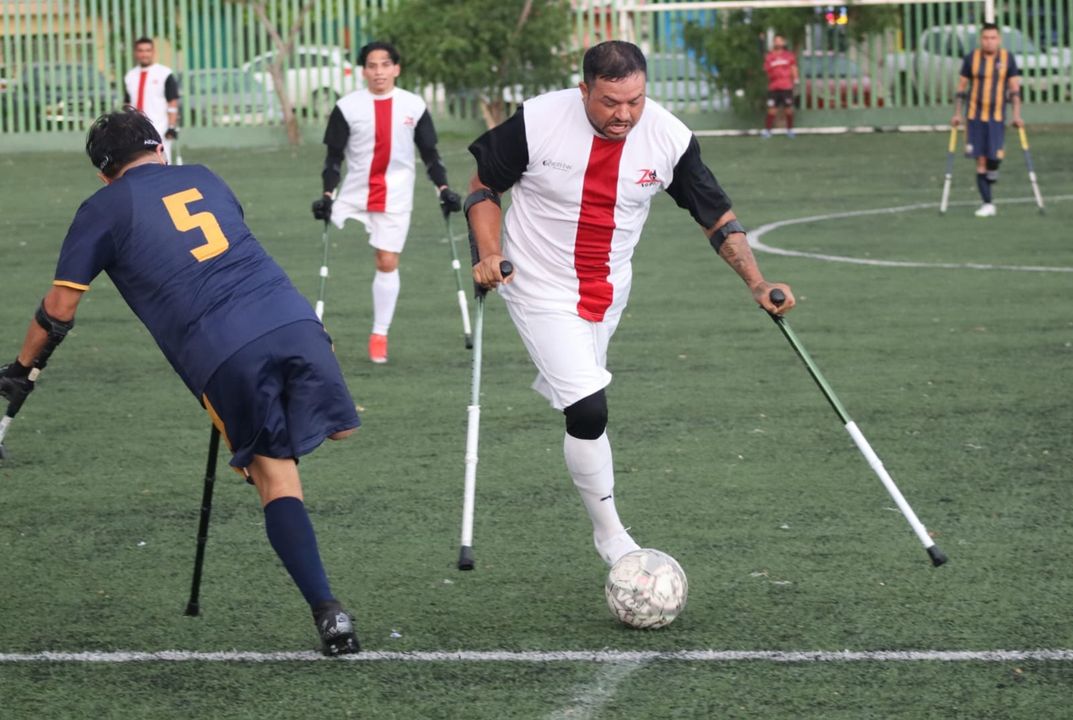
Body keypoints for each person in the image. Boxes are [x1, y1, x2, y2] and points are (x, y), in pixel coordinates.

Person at [0, 109, 362, 656]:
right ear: (160, 148)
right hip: (295, 321)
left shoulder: (102, 207)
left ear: (103, 172)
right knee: (337, 431)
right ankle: (282, 431)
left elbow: (60, 308)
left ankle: (329, 612)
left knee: (276, 479)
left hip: (222, 352)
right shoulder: (206, 177)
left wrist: (22, 369)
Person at [465, 41, 795, 567]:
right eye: (610, 102)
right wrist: (489, 252)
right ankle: (611, 535)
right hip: (538, 283)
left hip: (609, 288)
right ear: (584, 91)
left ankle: (588, 456)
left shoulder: (668, 137)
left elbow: (716, 217)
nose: (624, 115)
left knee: (579, 396)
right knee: (588, 406)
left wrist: (756, 282)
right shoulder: (539, 120)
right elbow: (483, 187)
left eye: (635, 101)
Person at [313, 40, 462, 364]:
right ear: (363, 71)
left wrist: (444, 189)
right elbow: (333, 158)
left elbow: (430, 155)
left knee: (386, 261)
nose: (379, 71)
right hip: (354, 191)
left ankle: (379, 333)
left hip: (396, 193)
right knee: (324, 253)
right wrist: (327, 194)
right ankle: (312, 332)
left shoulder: (413, 105)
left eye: (385, 64)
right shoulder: (347, 107)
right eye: (372, 65)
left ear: (396, 68)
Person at [951, 22, 1023, 218]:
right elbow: (961, 88)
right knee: (980, 159)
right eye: (985, 38)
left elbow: (1015, 89)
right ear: (981, 40)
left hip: (997, 118)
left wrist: (1017, 115)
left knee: (995, 158)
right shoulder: (970, 59)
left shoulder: (1008, 59)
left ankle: (992, 172)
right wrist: (957, 113)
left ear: (998, 39)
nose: (989, 42)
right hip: (974, 117)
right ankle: (988, 203)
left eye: (993, 38)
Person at [123, 37, 180, 162]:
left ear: (153, 52)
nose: (144, 54)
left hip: (159, 127)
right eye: (141, 51)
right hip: (135, 129)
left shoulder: (165, 74)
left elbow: (172, 102)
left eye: (148, 50)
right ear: (136, 53)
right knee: (137, 163)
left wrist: (171, 126)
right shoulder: (130, 76)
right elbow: (127, 103)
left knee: (162, 162)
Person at [762, 35, 798, 139]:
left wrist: (796, 79)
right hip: (773, 88)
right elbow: (766, 70)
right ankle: (767, 131)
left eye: (780, 41)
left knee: (788, 109)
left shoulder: (789, 56)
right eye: (776, 41)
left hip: (786, 87)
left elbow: (793, 67)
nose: (777, 43)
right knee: (771, 109)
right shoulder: (769, 57)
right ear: (773, 43)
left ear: (783, 42)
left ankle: (790, 130)